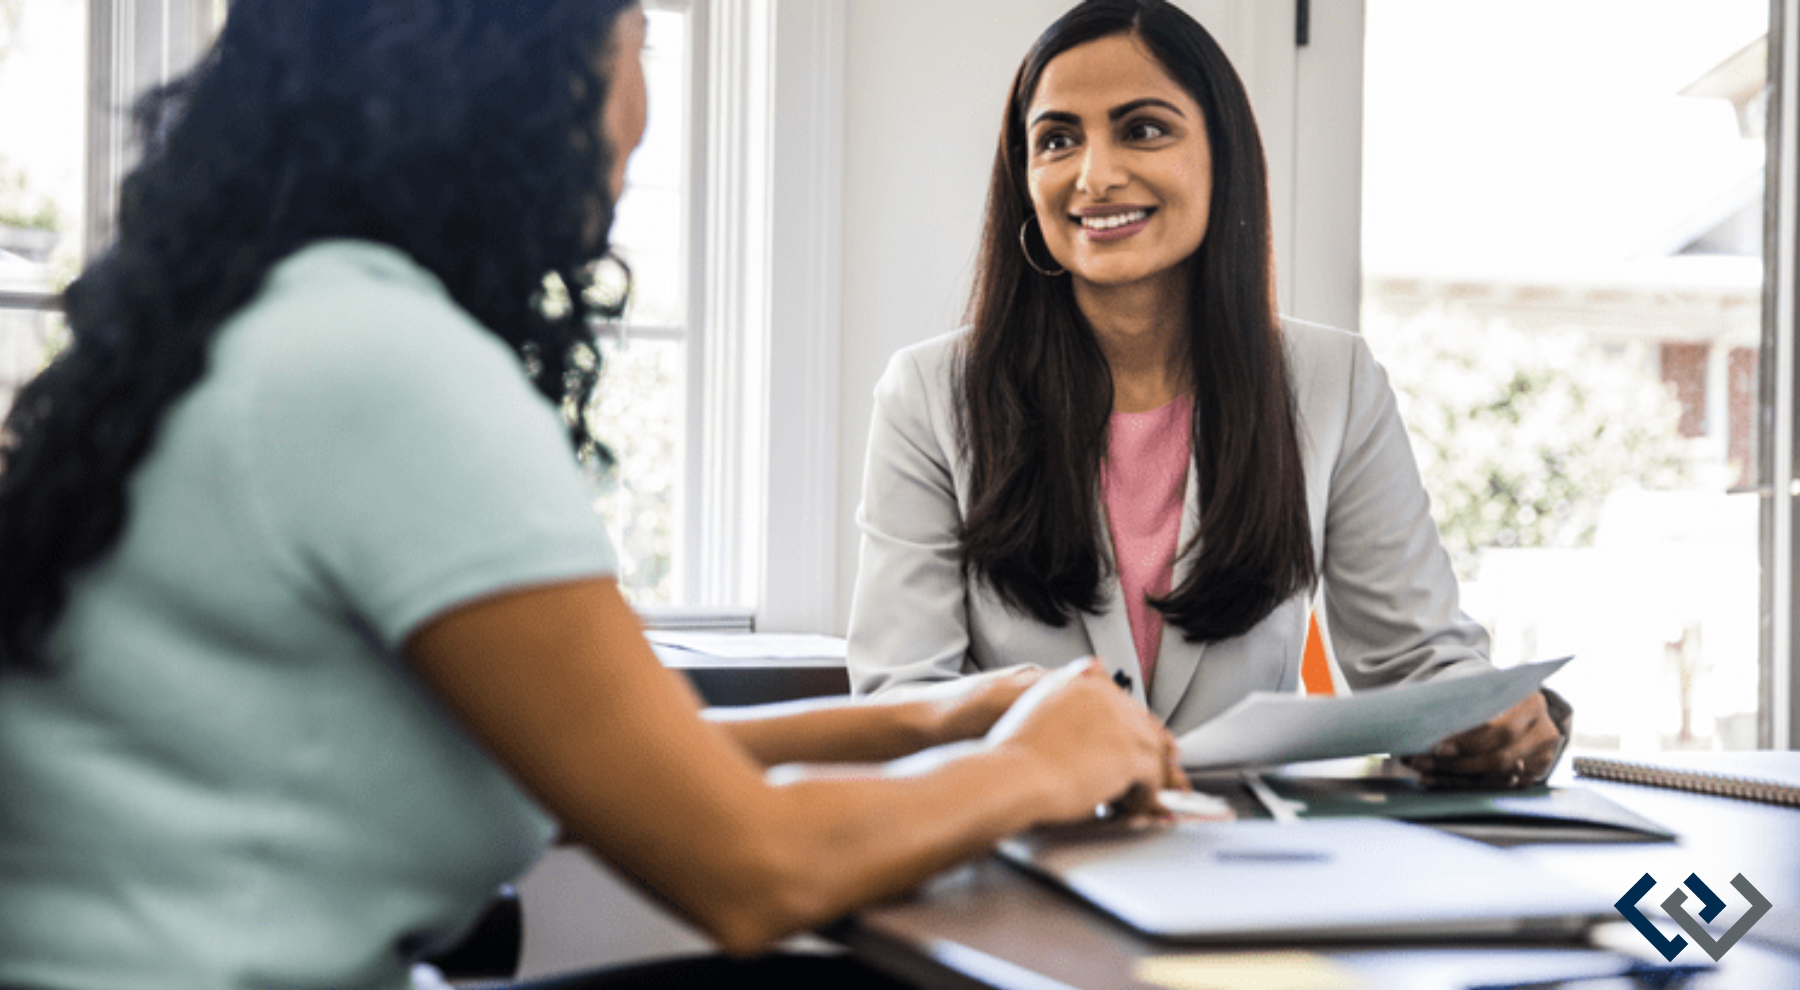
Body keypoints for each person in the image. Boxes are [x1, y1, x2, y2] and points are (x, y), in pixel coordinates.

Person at [0, 2, 1185, 987]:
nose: (645, 112)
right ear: (520, 75)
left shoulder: (273, 322)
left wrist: (933, 720)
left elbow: (609, 756)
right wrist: (1038, 765)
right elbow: (751, 869)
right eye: (637, 41)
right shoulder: (378, 366)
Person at [844, 0, 1570, 790]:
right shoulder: (929, 395)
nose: (1095, 175)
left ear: (1222, 157)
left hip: (1249, 866)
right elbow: (899, 701)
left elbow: (1417, 658)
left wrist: (1485, 718)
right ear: (1024, 178)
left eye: (1143, 129)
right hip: (1020, 855)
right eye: (1057, 140)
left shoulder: (1335, 382)